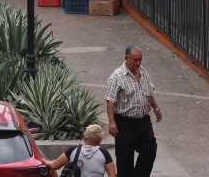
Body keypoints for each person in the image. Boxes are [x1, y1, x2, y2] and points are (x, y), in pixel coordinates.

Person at [105, 46, 162, 177]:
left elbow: (149, 93)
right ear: (126, 58)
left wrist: (156, 108)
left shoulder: (143, 72)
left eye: (140, 59)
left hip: (143, 121)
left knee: (150, 149)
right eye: (135, 60)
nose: (138, 63)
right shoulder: (117, 76)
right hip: (125, 123)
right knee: (125, 160)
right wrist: (112, 122)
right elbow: (110, 100)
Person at [42, 124, 115, 177]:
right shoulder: (104, 153)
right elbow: (112, 175)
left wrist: (47, 162)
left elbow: (54, 166)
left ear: (84, 137)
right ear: (100, 139)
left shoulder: (73, 150)